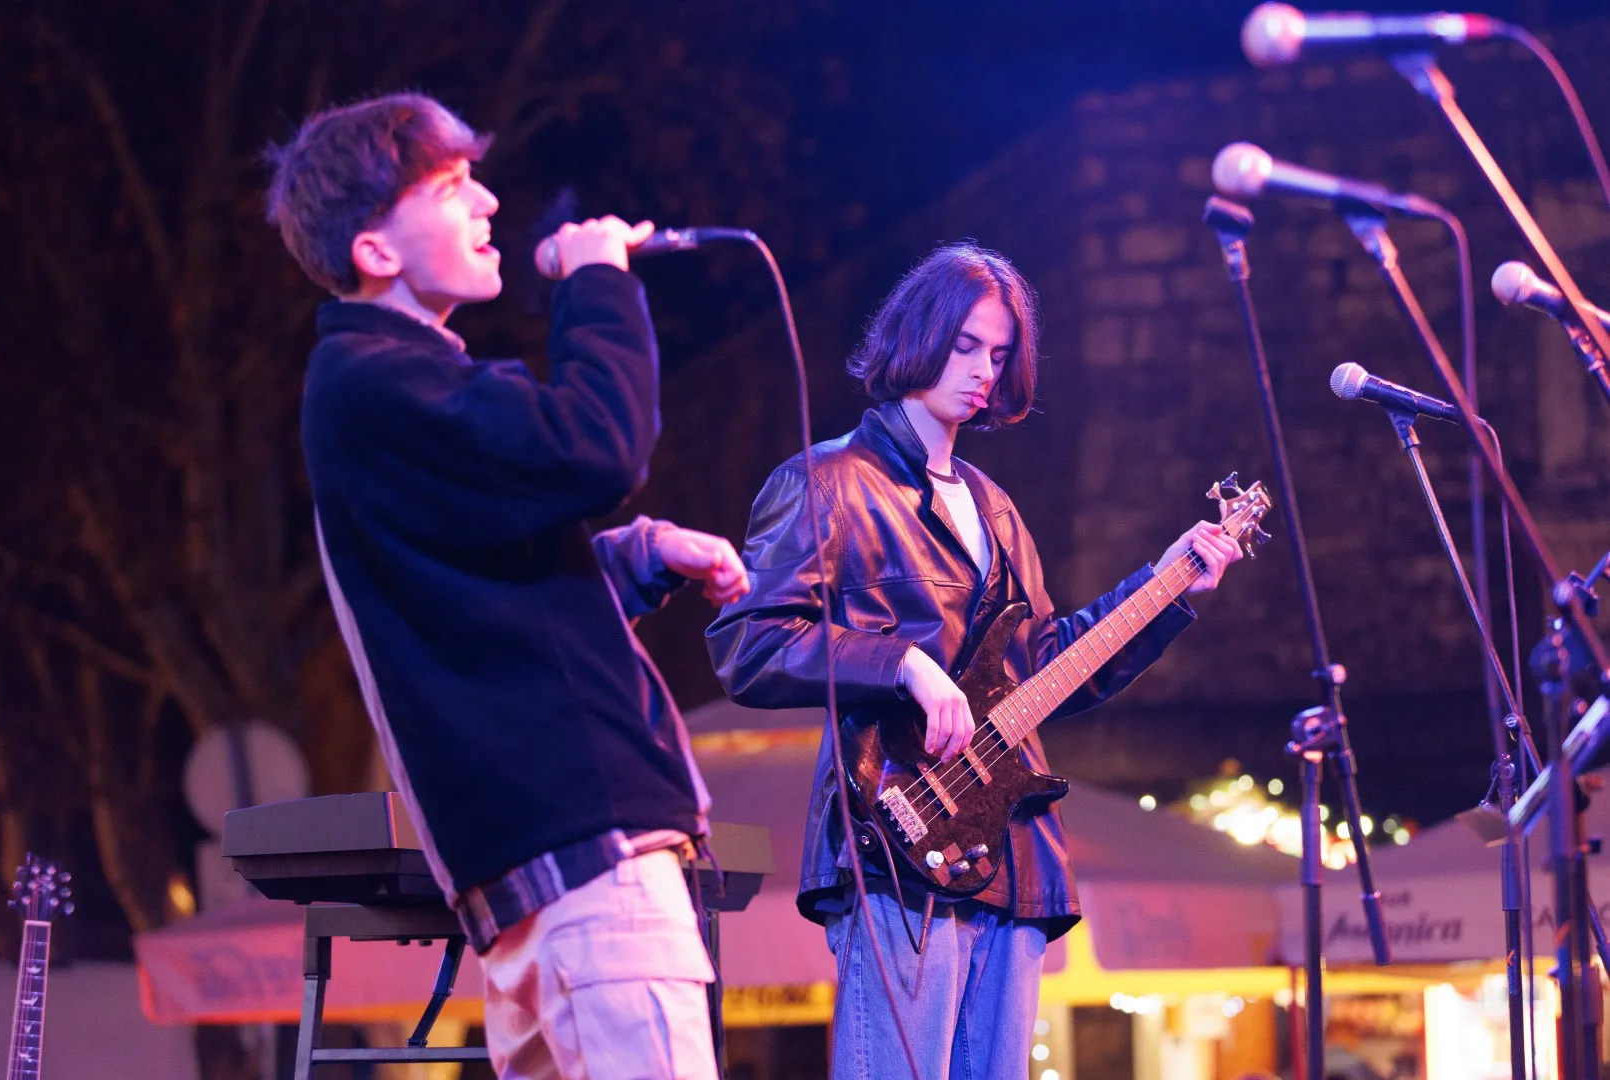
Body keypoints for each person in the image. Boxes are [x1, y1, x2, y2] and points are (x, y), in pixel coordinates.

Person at [266, 92, 748, 1080]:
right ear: (374, 249)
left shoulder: (381, 389)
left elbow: (481, 597)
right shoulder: (376, 381)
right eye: (450, 186)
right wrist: (599, 283)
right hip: (587, 870)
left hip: (542, 887)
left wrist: (634, 557)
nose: (487, 202)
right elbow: (597, 444)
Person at [705, 242, 1243, 1079]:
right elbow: (749, 642)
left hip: (1015, 852)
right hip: (898, 833)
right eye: (965, 346)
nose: (985, 370)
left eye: (998, 352)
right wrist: (901, 665)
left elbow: (1046, 666)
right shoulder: (827, 482)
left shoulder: (995, 508)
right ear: (917, 337)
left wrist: (1165, 587)